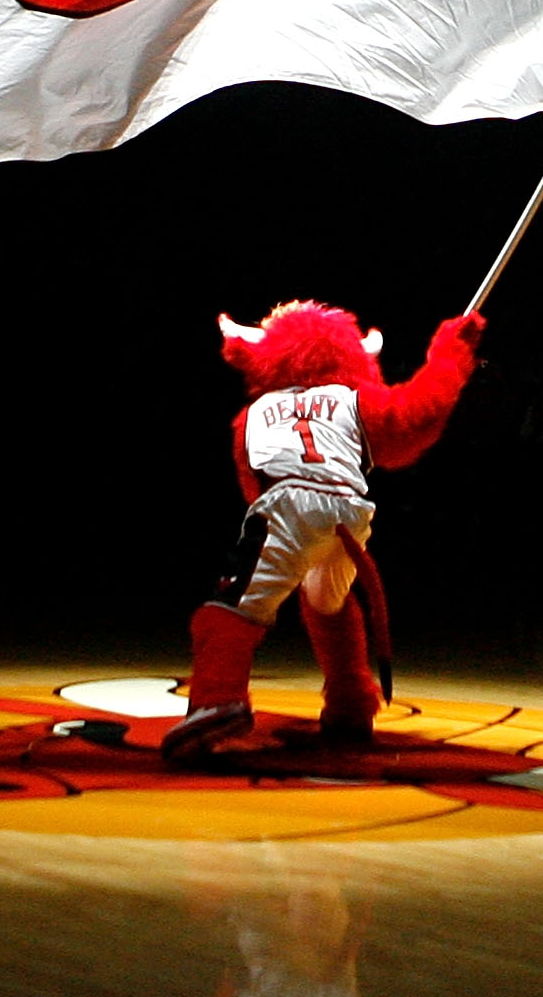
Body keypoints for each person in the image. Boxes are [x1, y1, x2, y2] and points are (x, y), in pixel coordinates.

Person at [165, 300, 482, 759]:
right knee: (328, 603)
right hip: (349, 517)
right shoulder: (357, 398)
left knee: (230, 609)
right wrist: (452, 354)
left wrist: (284, 547)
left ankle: (218, 701)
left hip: (287, 506)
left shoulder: (250, 416)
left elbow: (252, 483)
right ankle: (351, 705)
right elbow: (416, 419)